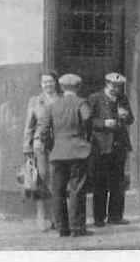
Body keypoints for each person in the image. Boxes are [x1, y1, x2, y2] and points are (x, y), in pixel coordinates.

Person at [40, 73, 93, 237]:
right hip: (78, 151)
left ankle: (62, 228)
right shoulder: (81, 103)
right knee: (77, 190)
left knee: (58, 191)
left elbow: (43, 131)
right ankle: (77, 228)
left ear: (61, 87)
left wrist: (52, 146)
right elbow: (88, 119)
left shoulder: (52, 106)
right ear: (78, 87)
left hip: (57, 153)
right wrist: (85, 140)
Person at [88, 72, 134, 227]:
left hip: (119, 146)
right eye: (113, 86)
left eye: (118, 87)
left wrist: (125, 115)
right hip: (100, 146)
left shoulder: (123, 98)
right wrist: (103, 123)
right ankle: (99, 218)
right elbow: (87, 121)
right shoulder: (95, 98)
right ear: (106, 84)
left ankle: (115, 216)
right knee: (99, 183)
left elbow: (131, 119)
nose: (116, 89)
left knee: (118, 183)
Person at [23, 70, 61, 232]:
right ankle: (41, 216)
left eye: (50, 81)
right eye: (45, 82)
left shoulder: (62, 99)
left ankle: (55, 217)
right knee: (41, 180)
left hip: (58, 145)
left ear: (56, 82)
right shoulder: (35, 101)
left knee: (56, 180)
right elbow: (29, 126)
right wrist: (27, 147)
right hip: (40, 146)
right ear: (41, 84)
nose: (48, 84)